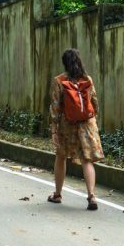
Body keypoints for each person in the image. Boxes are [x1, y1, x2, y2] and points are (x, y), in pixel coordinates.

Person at [48, 48, 104, 210]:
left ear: (64, 63)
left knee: (61, 156)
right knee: (87, 160)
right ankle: (91, 196)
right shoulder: (87, 79)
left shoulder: (59, 81)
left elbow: (55, 107)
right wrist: (93, 120)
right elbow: (94, 103)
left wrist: (54, 129)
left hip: (68, 125)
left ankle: (57, 195)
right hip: (87, 123)